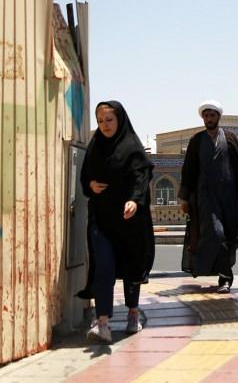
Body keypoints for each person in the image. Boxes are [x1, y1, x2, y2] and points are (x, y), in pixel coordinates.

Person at [81, 101, 155, 343]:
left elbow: (141, 177)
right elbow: (85, 176)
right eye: (100, 121)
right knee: (103, 266)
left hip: (129, 220)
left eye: (109, 120)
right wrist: (90, 185)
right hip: (101, 219)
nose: (104, 125)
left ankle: (133, 314)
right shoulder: (96, 146)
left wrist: (134, 200)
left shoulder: (132, 148)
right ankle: (102, 322)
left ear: (120, 120)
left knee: (132, 267)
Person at [179, 100, 238, 293]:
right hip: (206, 197)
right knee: (215, 233)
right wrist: (184, 198)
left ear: (218, 117)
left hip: (230, 197)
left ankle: (224, 276)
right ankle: (226, 277)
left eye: (212, 116)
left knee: (229, 237)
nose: (209, 119)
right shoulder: (196, 141)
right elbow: (188, 170)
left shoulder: (230, 138)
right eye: (206, 116)